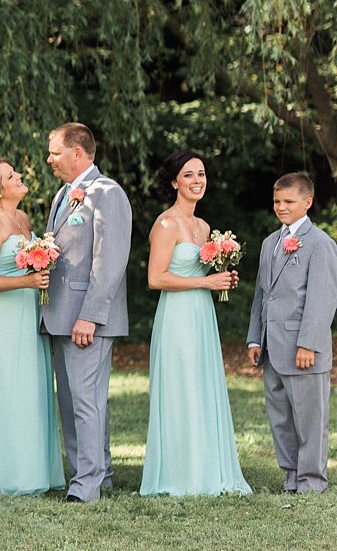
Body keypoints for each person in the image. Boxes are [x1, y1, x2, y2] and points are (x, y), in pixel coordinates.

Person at [140, 151, 248, 496]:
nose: (197, 180)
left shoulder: (203, 227)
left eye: (201, 174)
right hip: (177, 317)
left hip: (202, 315)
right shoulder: (166, 224)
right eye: (188, 175)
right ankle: (181, 474)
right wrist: (206, 283)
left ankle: (209, 467)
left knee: (203, 386)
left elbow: (202, 274)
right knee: (181, 388)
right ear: (174, 182)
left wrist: (221, 278)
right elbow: (156, 278)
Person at [0, 159, 63, 496]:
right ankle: (0, 475)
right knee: (4, 391)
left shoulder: (21, 218)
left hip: (26, 312)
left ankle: (31, 470)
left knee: (28, 390)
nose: (19, 175)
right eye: (11, 176)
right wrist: (27, 280)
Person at [43, 122, 130, 503]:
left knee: (85, 400)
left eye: (55, 152)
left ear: (77, 153)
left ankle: (87, 484)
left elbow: (108, 262)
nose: (49, 159)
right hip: (60, 315)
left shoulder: (107, 193)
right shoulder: (63, 194)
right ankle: (95, 472)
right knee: (73, 401)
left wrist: (91, 316)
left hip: (85, 317)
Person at [246, 172, 337, 493]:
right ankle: (291, 476)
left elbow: (322, 299)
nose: (280, 207)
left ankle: (312, 480)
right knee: (281, 417)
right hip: (272, 348)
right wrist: (255, 338)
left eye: (288, 201)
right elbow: (262, 294)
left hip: (303, 349)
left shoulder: (321, 244)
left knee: (310, 420)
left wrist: (309, 344)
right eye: (276, 201)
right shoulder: (270, 242)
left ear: (307, 202)